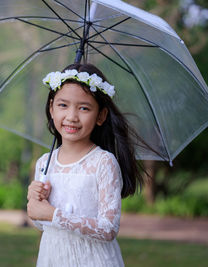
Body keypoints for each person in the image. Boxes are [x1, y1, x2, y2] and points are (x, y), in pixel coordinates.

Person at [27, 63, 145, 267]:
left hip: (92, 260)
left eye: (84, 108)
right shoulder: (44, 163)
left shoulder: (103, 162)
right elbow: (42, 223)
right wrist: (35, 201)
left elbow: (108, 229)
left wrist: (53, 214)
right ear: (51, 108)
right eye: (63, 105)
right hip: (53, 258)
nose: (72, 117)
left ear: (101, 116)